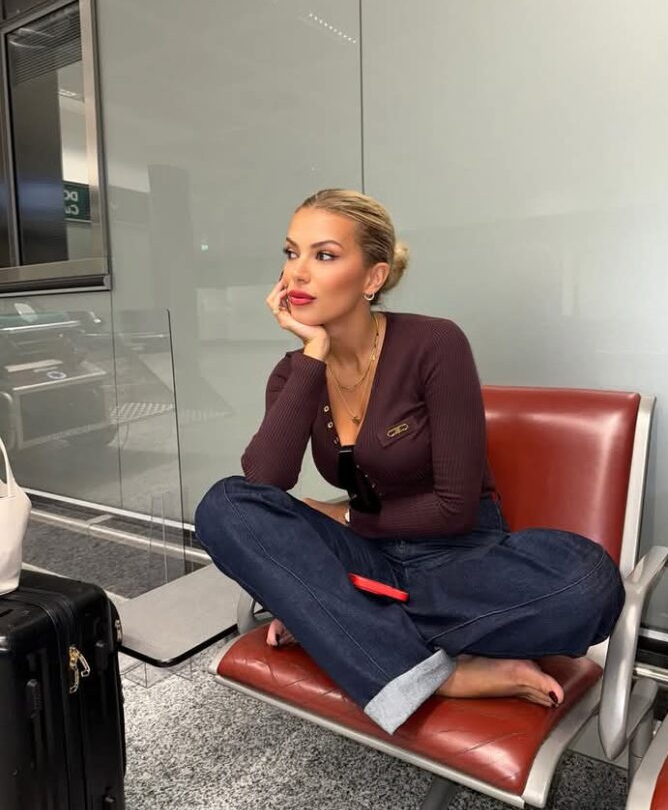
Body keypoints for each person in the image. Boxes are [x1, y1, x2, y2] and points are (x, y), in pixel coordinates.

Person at [194, 188, 625, 736]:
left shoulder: (434, 343)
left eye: (324, 255)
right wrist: (313, 354)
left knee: (587, 579)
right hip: (364, 562)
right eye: (290, 252)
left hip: (459, 561)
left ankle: (337, 621)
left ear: (372, 278)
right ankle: (442, 675)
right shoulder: (295, 372)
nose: (297, 272)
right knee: (224, 505)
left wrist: (344, 521)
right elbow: (264, 484)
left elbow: (454, 507)